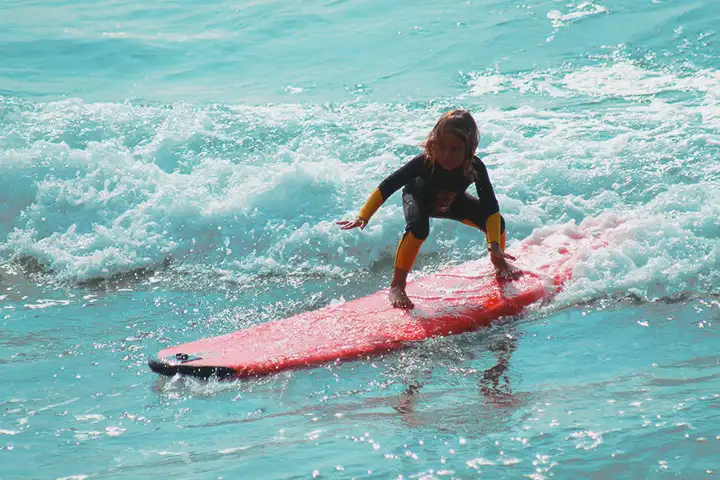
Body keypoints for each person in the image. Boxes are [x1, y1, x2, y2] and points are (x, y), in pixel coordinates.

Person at [338, 109, 521, 309]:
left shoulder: (475, 167)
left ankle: (499, 262)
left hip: (452, 202)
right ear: (433, 143)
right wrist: (364, 215)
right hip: (418, 199)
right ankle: (397, 285)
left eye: (455, 149)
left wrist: (494, 243)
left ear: (470, 148)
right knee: (418, 229)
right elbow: (390, 184)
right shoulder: (425, 161)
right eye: (441, 147)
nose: (446, 155)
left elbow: (490, 206)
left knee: (497, 222)